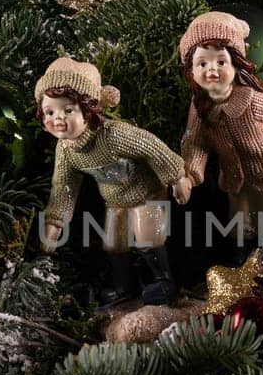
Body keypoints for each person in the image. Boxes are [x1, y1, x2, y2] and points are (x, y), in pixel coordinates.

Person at [35, 57, 184, 306]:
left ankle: (165, 282)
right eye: (50, 112)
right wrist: (55, 221)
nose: (58, 118)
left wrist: (177, 176)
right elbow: (64, 186)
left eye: (67, 110)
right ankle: (125, 286)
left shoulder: (113, 135)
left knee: (147, 233)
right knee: (113, 241)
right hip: (115, 199)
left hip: (147, 192)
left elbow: (152, 147)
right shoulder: (66, 149)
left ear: (87, 108)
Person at [176, 12, 263, 250]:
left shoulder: (253, 98)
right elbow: (195, 142)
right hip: (234, 175)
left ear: (236, 63)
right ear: (191, 69)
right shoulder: (200, 107)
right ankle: (241, 259)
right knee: (239, 222)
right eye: (202, 63)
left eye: (221, 62)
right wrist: (190, 175)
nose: (212, 70)